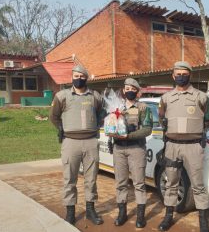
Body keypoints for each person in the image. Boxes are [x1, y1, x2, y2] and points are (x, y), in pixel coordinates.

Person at [157, 61, 209, 232]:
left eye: (184, 73)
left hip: (193, 147)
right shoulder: (165, 98)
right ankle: (168, 216)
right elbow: (162, 120)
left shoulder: (201, 97)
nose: (181, 76)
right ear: (173, 76)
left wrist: (196, 132)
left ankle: (203, 220)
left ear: (190, 75)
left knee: (197, 184)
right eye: (178, 73)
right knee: (171, 182)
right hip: (172, 146)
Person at [50, 65, 105, 226]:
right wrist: (62, 129)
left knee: (91, 179)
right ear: (71, 77)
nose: (78, 78)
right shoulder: (62, 96)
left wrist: (95, 124)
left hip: (90, 142)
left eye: (82, 76)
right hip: (70, 142)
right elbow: (54, 117)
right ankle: (70, 212)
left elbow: (101, 112)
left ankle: (90, 210)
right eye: (76, 75)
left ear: (86, 78)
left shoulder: (95, 96)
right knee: (69, 178)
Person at [108, 78, 153, 228]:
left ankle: (140, 216)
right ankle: (122, 213)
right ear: (123, 90)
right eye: (127, 88)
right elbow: (110, 124)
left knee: (139, 183)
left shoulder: (143, 108)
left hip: (136, 149)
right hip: (119, 149)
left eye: (132, 88)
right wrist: (111, 133)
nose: (129, 91)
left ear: (137, 91)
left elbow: (147, 129)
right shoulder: (117, 107)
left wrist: (129, 136)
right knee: (120, 183)